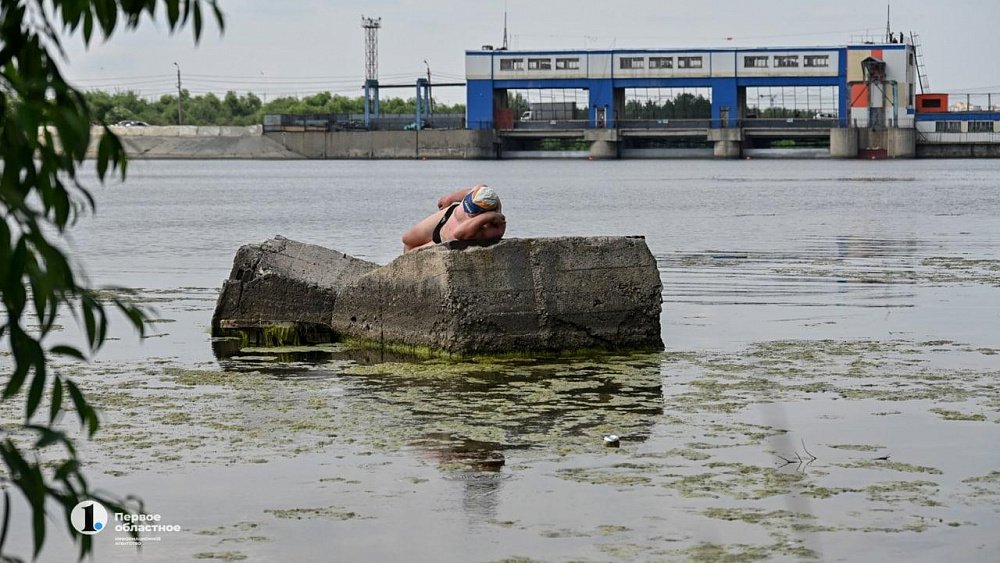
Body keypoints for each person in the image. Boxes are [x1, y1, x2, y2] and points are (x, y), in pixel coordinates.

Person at [402, 184, 506, 253]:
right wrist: (450, 198)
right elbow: (468, 192)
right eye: (467, 204)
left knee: (408, 254)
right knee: (406, 240)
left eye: (472, 211)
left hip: (443, 240)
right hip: (446, 216)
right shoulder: (481, 192)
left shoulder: (492, 228)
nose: (467, 211)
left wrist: (488, 217)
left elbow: (458, 233)